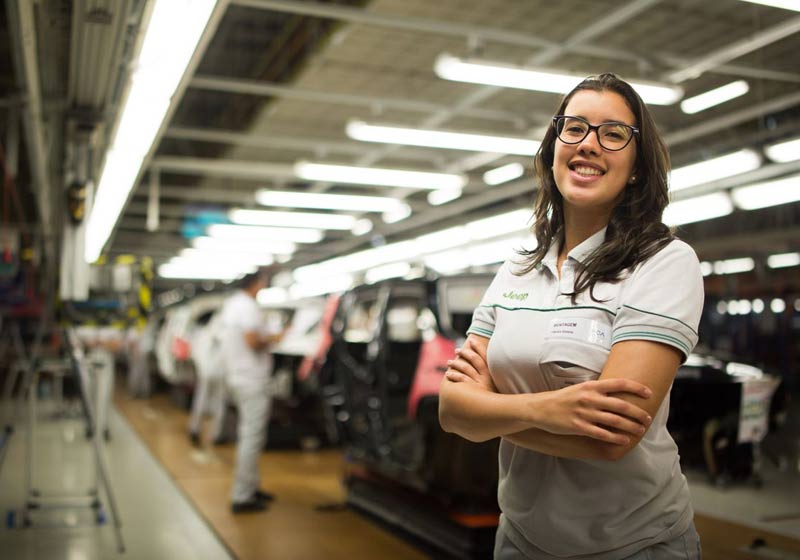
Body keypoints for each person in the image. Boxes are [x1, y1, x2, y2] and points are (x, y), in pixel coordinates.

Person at [439, 73, 704, 559]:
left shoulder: (664, 262)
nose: (588, 144)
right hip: (519, 539)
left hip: (635, 544)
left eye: (613, 133)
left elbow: (611, 437)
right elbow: (451, 411)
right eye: (575, 127)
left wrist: (488, 413)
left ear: (638, 167)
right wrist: (548, 411)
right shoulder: (518, 268)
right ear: (553, 149)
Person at [220, 270, 284, 513]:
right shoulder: (247, 306)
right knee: (251, 437)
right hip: (251, 379)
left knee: (249, 434)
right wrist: (276, 337)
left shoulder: (233, 304)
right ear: (256, 284)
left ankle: (251, 486)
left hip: (237, 376)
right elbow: (252, 341)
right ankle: (242, 496)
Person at [187, 310, 227, 447]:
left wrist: (200, 369)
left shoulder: (203, 333)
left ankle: (194, 428)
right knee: (219, 402)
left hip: (205, 372)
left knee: (200, 400)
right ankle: (216, 434)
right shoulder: (224, 332)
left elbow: (195, 353)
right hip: (219, 372)